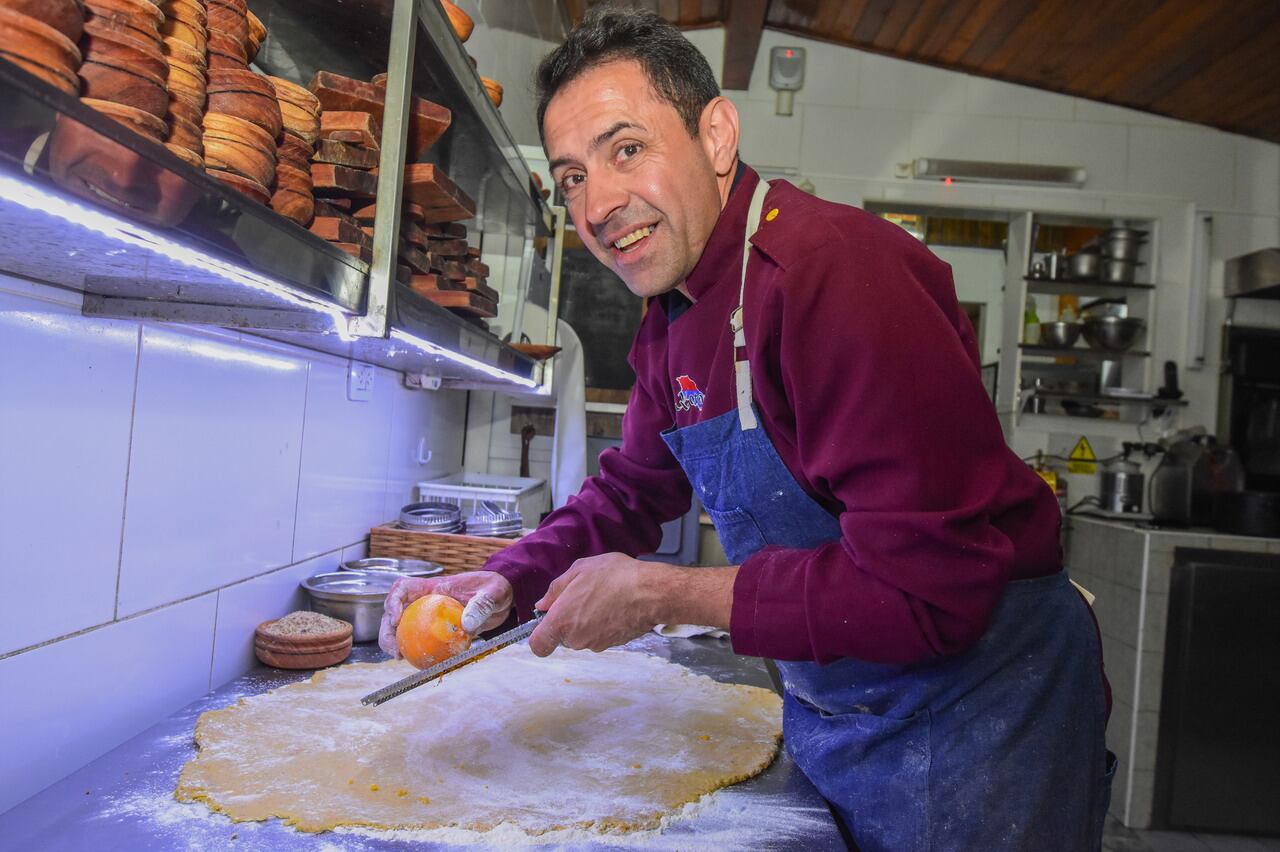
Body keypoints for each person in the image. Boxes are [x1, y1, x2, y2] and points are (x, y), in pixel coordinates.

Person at [379, 8, 1114, 850]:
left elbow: (930, 589)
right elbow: (634, 489)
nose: (600, 203)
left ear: (717, 134)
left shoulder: (838, 277)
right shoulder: (670, 314)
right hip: (842, 709)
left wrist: (666, 594)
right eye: (572, 176)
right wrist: (505, 581)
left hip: (985, 720)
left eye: (627, 149)